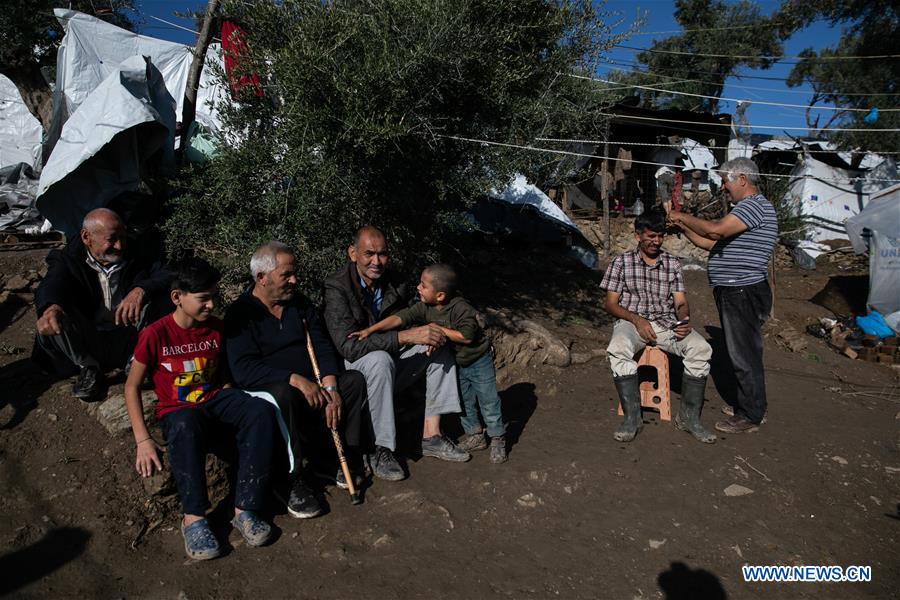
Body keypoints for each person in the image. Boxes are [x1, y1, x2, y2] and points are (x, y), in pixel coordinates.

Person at [124, 257, 277, 561]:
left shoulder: (217, 329)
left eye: (213, 297)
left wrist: (232, 397)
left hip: (214, 399)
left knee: (259, 411)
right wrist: (143, 439)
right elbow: (131, 387)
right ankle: (193, 518)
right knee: (184, 424)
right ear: (177, 297)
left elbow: (223, 376)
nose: (210, 305)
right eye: (203, 298)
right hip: (177, 409)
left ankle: (245, 508)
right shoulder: (155, 334)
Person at [225, 242, 368, 519]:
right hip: (272, 389)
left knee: (352, 382)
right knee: (284, 394)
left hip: (312, 386)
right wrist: (294, 379)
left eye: (294, 273)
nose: (295, 280)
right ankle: (290, 478)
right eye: (286, 275)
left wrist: (330, 385)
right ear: (262, 278)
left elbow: (322, 346)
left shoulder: (299, 305)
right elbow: (243, 370)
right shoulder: (240, 315)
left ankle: (332, 456)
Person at [323, 226, 469, 477]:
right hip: (355, 368)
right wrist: (403, 336)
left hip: (391, 360)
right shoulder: (337, 288)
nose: (376, 262)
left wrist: (431, 330)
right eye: (369, 254)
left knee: (437, 342)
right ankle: (382, 448)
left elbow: (417, 315)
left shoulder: (395, 282)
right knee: (379, 361)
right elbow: (348, 347)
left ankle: (431, 435)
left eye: (383, 254)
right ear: (353, 253)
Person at [665, 157, 778, 434]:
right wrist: (682, 227)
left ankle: (751, 414)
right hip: (735, 289)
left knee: (743, 354)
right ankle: (749, 404)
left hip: (742, 290)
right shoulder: (745, 210)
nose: (723, 188)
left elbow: (714, 230)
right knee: (741, 351)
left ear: (742, 179)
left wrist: (681, 216)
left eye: (726, 181)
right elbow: (709, 241)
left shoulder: (753, 207)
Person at [352, 263, 507, 463]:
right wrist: (371, 330)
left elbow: (466, 336)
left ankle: (497, 437)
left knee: (488, 400)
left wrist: (435, 329)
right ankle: (476, 435)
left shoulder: (461, 309)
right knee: (465, 400)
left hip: (479, 361)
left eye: (423, 285)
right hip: (459, 363)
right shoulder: (424, 307)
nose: (418, 287)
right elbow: (400, 318)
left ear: (440, 295)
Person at [600, 211, 715, 444]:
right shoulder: (621, 262)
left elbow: (680, 302)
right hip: (631, 322)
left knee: (701, 348)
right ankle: (632, 419)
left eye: (660, 236)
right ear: (638, 236)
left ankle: (688, 418)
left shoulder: (672, 263)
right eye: (651, 236)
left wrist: (683, 319)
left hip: (665, 322)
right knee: (618, 346)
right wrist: (637, 320)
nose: (656, 241)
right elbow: (610, 305)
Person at [34, 207, 170, 400]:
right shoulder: (68, 259)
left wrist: (141, 289)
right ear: (86, 237)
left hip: (129, 335)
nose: (120, 246)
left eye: (123, 237)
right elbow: (53, 283)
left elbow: (166, 273)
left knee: (161, 298)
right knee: (55, 313)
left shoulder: (139, 253)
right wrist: (51, 307)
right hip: (89, 338)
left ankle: (137, 362)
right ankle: (88, 367)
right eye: (112, 239)